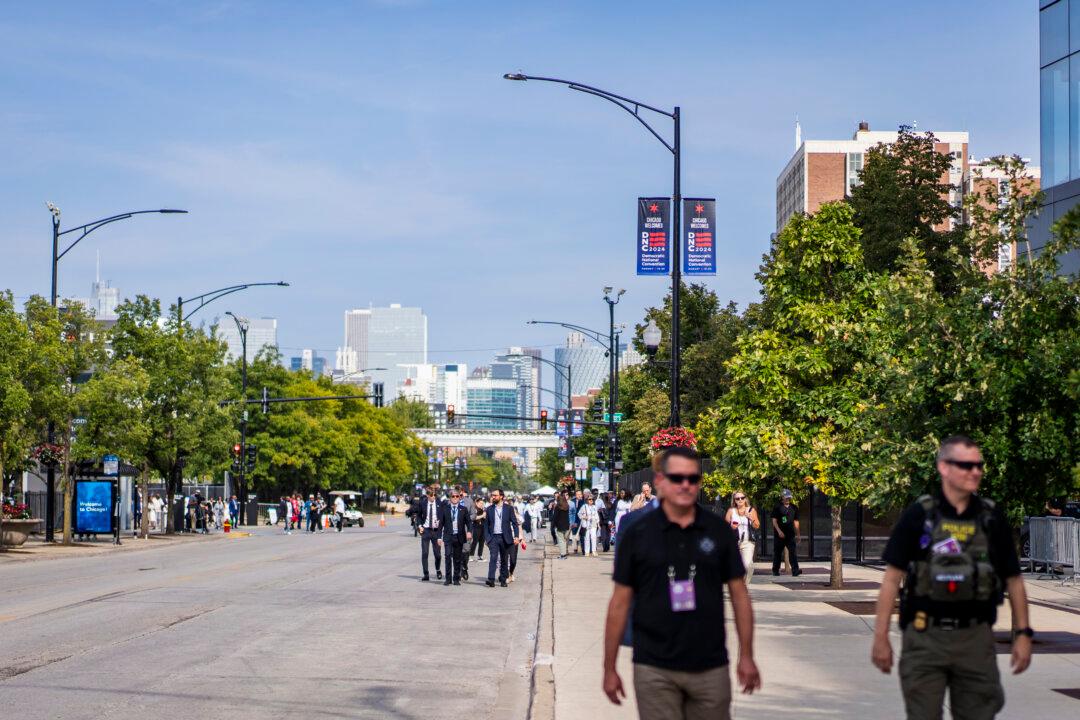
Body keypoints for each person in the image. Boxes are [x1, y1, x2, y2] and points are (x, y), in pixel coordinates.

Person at [871, 435, 1031, 719]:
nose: (975, 472)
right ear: (944, 467)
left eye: (979, 465)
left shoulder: (991, 519)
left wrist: (1022, 634)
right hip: (924, 639)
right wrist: (881, 636)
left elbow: (1014, 580)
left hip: (975, 639)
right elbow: (891, 579)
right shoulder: (919, 515)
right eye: (966, 465)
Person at [603, 447, 761, 719]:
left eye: (693, 478)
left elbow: (739, 595)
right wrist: (609, 667)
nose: (685, 484)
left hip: (710, 665)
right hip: (654, 666)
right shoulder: (637, 532)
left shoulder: (718, 531)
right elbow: (619, 602)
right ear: (660, 481)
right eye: (677, 478)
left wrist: (746, 655)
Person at [485, 488, 519, 587]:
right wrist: (487, 538)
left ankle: (503, 579)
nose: (493, 497)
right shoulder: (490, 509)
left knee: (504, 559)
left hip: (505, 538)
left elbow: (514, 523)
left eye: (495, 495)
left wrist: (516, 536)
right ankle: (491, 579)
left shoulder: (509, 508)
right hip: (493, 538)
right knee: (493, 558)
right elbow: (486, 525)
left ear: (501, 496)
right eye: (492, 495)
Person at [438, 489, 472, 586]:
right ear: (450, 498)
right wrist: (439, 537)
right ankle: (448, 579)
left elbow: (468, 522)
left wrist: (469, 531)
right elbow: (441, 524)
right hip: (448, 536)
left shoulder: (463, 509)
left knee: (457, 558)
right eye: (453, 496)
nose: (455, 498)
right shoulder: (445, 509)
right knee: (448, 556)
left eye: (457, 496)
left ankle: (456, 578)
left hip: (459, 536)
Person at [726, 491, 760, 584]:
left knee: (747, 565)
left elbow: (757, 525)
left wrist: (751, 518)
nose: (740, 500)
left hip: (747, 542)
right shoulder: (731, 511)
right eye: (737, 498)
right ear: (734, 500)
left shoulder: (751, 510)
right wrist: (731, 527)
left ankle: (744, 585)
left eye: (742, 498)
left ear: (745, 499)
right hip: (734, 542)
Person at [770, 489, 801, 577]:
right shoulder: (777, 507)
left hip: (790, 535)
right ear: (782, 497)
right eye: (786, 497)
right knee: (778, 553)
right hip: (779, 535)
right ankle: (775, 570)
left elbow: (796, 521)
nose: (787, 499)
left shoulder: (794, 507)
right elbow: (774, 521)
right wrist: (779, 531)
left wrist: (798, 534)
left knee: (793, 552)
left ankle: (795, 570)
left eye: (789, 497)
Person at [417, 485, 443, 581]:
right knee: (425, 553)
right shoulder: (423, 503)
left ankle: (438, 569)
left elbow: (443, 517)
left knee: (437, 554)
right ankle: (426, 574)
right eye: (431, 495)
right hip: (426, 530)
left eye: (434, 495)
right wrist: (420, 526)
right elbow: (419, 516)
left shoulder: (440, 503)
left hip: (436, 531)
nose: (433, 497)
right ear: (427, 495)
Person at [552, 491, 571, 559]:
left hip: (559, 526)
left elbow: (555, 517)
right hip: (566, 525)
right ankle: (564, 553)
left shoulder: (558, 507)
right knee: (565, 540)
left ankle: (563, 555)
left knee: (561, 540)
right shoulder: (567, 506)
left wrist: (553, 526)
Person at [469, 497, 486, 562]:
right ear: (476, 503)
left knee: (482, 541)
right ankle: (470, 555)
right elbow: (474, 518)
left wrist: (484, 515)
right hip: (476, 526)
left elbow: (485, 517)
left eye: (482, 503)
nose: (482, 504)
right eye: (481, 503)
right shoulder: (474, 509)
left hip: (482, 526)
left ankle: (480, 556)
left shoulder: (483, 509)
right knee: (474, 541)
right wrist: (483, 515)